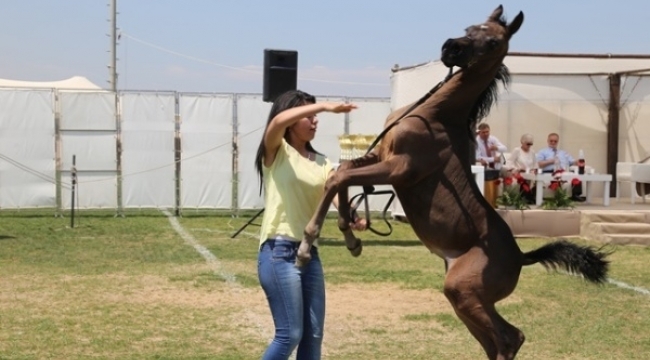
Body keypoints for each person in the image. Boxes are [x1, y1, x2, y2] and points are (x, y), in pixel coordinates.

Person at [254, 90, 366, 360]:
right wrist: (326, 106)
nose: (315, 121)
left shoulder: (323, 162)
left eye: (316, 116)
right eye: (309, 116)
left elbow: (338, 199)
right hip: (277, 253)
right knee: (289, 334)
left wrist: (354, 217)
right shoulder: (276, 151)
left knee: (313, 337)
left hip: (309, 255)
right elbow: (276, 122)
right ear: (293, 120)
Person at [536, 132, 585, 201]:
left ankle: (575, 195)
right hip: (549, 172)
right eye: (551, 141)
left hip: (562, 172)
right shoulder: (542, 152)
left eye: (555, 141)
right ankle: (557, 197)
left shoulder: (563, 153)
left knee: (576, 176)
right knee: (558, 178)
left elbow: (572, 162)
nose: (553, 143)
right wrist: (550, 161)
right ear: (547, 141)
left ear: (557, 142)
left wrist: (578, 161)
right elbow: (539, 164)